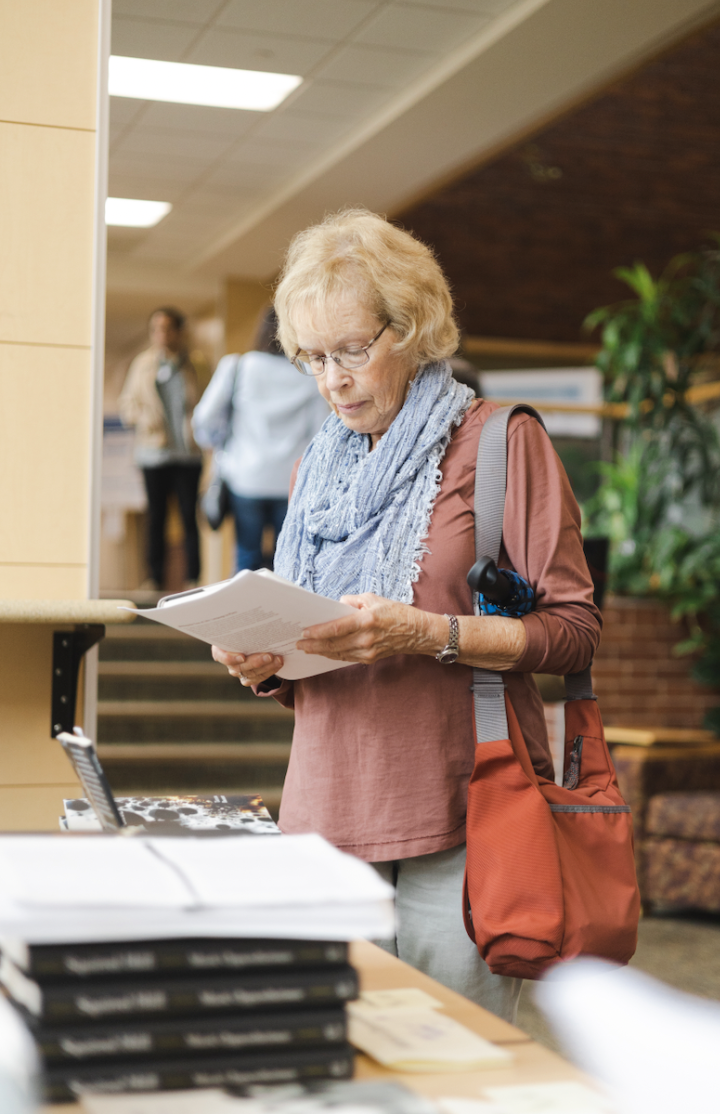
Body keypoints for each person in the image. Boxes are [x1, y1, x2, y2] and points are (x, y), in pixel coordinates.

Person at [211, 210, 601, 1020]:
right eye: (313, 358)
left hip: (465, 809)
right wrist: (264, 658)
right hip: (323, 805)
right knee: (339, 1074)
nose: (333, 379)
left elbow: (573, 632)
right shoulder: (314, 465)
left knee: (452, 1072)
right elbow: (312, 637)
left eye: (353, 350)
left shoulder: (501, 443)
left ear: (415, 327)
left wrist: (428, 633)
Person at [192, 308, 329, 572]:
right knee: (287, 563)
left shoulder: (238, 367)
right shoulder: (310, 374)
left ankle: (243, 613)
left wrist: (216, 443)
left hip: (246, 479)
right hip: (291, 483)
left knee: (246, 557)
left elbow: (204, 419)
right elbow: (319, 433)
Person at [118, 306, 204, 590]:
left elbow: (207, 404)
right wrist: (146, 418)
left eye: (168, 328)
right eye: (156, 329)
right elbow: (127, 406)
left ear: (178, 332)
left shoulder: (196, 365)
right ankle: (154, 578)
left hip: (188, 454)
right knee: (156, 518)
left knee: (189, 517)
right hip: (154, 454)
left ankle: (193, 578)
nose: (161, 334)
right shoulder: (142, 365)